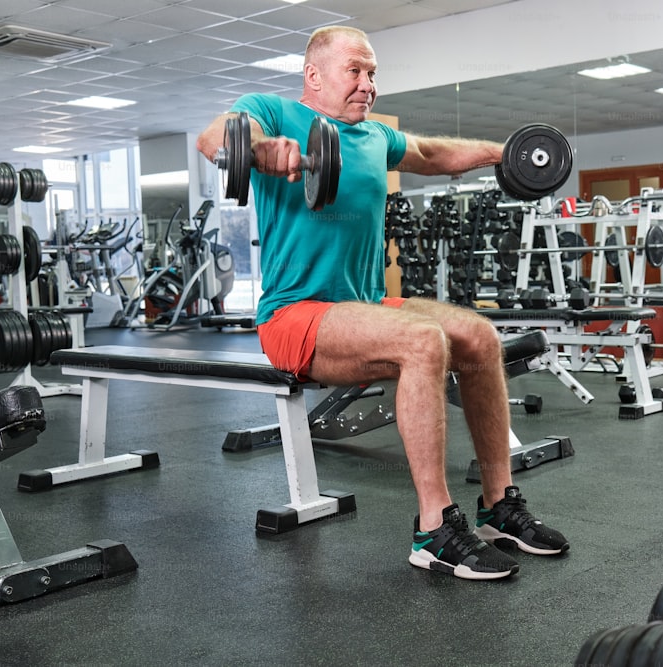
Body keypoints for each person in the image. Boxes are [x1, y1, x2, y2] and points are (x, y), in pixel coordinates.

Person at [197, 25, 568, 580]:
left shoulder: (373, 136)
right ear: (314, 75)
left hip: (362, 308)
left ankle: (498, 506)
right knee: (423, 341)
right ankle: (435, 529)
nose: (368, 84)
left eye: (373, 74)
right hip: (295, 316)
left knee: (479, 337)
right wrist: (257, 149)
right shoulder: (273, 113)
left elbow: (430, 152)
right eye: (356, 71)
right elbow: (215, 138)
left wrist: (506, 153)